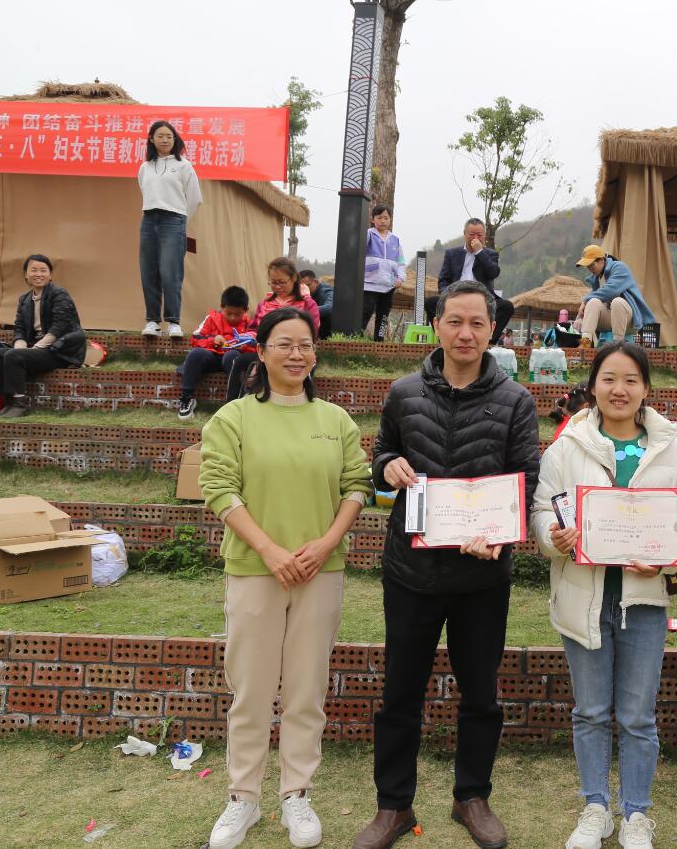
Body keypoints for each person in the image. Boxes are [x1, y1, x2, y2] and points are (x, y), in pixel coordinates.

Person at [354, 280, 540, 849]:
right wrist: (387, 466)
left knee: (480, 694)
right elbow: (382, 453)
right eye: (454, 321)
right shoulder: (403, 392)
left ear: (493, 330)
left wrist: (500, 538)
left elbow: (525, 480)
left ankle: (472, 797)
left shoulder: (516, 400)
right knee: (400, 695)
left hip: (481, 576)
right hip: (411, 571)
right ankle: (393, 806)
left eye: (477, 323)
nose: (465, 333)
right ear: (436, 325)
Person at [199, 307, 373, 849]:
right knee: (250, 690)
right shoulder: (233, 419)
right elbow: (219, 489)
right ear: (261, 352)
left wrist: (326, 544)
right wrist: (270, 551)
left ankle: (296, 793)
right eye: (284, 344)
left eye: (305, 345)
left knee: (305, 689)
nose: (296, 354)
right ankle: (243, 799)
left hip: (321, 571)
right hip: (256, 570)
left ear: (315, 354)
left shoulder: (336, 420)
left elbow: (357, 486)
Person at [533, 341, 677, 849]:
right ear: (593, 386)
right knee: (589, 712)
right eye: (608, 379)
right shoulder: (568, 445)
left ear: (646, 388)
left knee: (637, 716)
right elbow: (543, 510)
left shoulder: (672, 449)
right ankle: (595, 809)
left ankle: (636, 814)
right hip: (582, 596)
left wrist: (667, 558)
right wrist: (553, 537)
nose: (619, 389)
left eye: (630, 379)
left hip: (643, 602)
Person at [0, 254, 86, 420]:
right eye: (34, 270)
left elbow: (60, 326)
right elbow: (19, 327)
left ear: (50, 274)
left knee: (13, 356)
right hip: (37, 349)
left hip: (60, 350)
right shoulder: (24, 299)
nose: (38, 274)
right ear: (26, 274)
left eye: (43, 270)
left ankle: (19, 404)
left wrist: (36, 347)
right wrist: (20, 344)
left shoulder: (59, 294)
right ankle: (8, 401)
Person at [138, 120, 202, 339]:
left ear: (175, 140)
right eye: (160, 136)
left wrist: (181, 220)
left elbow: (194, 198)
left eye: (169, 136)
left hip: (174, 220)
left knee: (170, 272)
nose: (165, 140)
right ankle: (152, 321)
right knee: (148, 271)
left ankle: (174, 322)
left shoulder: (184, 165)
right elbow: (144, 191)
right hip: (149, 219)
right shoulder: (145, 167)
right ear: (151, 139)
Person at [227, 258, 320, 400]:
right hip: (267, 351)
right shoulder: (265, 304)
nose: (277, 287)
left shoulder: (307, 303)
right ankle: (233, 403)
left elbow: (311, 333)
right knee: (240, 361)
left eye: (282, 282)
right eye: (273, 283)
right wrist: (249, 336)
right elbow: (255, 329)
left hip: (296, 351)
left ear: (293, 278)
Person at [425, 218, 515, 346]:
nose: (475, 238)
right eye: (472, 234)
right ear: (464, 234)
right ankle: (445, 339)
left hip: (482, 298)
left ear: (484, 236)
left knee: (507, 306)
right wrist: (447, 295)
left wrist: (479, 252)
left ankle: (488, 342)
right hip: (456, 296)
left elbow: (493, 273)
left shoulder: (490, 254)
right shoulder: (452, 254)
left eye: (479, 235)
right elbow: (443, 279)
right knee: (431, 302)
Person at [177, 286, 255, 420]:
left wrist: (244, 347)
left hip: (232, 361)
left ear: (246, 310)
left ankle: (236, 402)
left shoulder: (251, 324)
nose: (232, 317)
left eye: (237, 314)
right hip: (211, 358)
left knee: (232, 356)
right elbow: (195, 338)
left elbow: (257, 347)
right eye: (228, 313)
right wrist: (212, 340)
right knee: (196, 354)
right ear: (222, 307)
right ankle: (187, 397)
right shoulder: (212, 318)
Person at [574, 244, 657, 348]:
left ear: (602, 260)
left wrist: (585, 300)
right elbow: (593, 299)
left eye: (592, 265)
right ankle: (585, 344)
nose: (590, 269)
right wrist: (579, 318)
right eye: (588, 266)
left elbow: (610, 290)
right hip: (609, 320)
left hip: (628, 321)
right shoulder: (596, 278)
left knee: (617, 302)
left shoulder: (619, 268)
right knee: (593, 302)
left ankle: (617, 344)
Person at [362, 206, 407, 342]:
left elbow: (401, 262)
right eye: (379, 217)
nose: (383, 221)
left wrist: (400, 277)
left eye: (386, 218)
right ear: (372, 219)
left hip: (388, 285)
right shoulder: (368, 234)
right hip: (370, 283)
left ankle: (379, 340)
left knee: (383, 315)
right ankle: (357, 336)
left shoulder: (395, 240)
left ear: (390, 219)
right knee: (366, 311)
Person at [299, 271, 335, 340]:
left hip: (329, 334)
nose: (304, 289)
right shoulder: (303, 293)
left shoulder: (326, 291)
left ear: (316, 282)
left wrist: (309, 310)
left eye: (307, 286)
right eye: (301, 287)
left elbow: (329, 307)